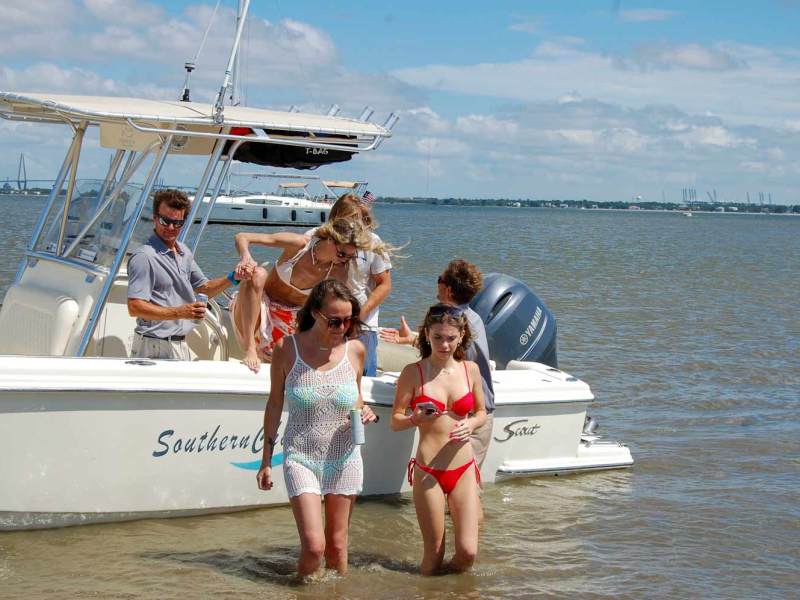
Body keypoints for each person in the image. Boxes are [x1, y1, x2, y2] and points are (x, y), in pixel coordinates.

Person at [256, 279, 378, 577]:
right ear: (315, 313)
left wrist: (364, 410)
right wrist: (265, 461)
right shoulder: (287, 349)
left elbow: (356, 397)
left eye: (348, 321)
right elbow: (274, 404)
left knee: (337, 547)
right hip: (301, 456)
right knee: (314, 547)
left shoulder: (356, 350)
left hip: (345, 457)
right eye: (334, 321)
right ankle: (302, 590)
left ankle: (336, 593)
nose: (342, 327)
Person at [391, 303, 487, 575]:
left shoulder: (470, 370)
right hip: (428, 471)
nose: (444, 345)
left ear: (461, 336)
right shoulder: (413, 372)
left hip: (463, 468)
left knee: (468, 553)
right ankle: (431, 590)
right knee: (433, 555)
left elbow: (482, 412)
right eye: (437, 337)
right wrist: (414, 419)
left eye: (451, 338)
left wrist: (471, 423)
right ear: (426, 335)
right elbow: (395, 421)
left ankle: (447, 589)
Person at [380, 259, 495, 468]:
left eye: (438, 279)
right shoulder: (471, 318)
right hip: (470, 414)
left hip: (470, 417)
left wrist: (416, 382)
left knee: (466, 479)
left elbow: (452, 358)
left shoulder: (463, 324)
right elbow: (447, 349)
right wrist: (412, 339)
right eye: (437, 337)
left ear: (448, 289)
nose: (445, 342)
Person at [230, 218, 378, 373]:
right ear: (329, 240)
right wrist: (246, 258)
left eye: (349, 257)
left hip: (291, 321)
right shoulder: (299, 245)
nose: (343, 260)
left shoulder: (338, 271)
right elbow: (242, 237)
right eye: (341, 254)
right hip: (258, 310)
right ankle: (250, 348)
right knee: (258, 274)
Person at [127, 189, 236, 360]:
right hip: (153, 346)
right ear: (155, 218)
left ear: (183, 223)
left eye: (177, 223)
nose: (170, 228)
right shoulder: (144, 257)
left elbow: (204, 288)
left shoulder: (183, 251)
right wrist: (179, 312)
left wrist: (234, 277)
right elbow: (135, 307)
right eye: (165, 221)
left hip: (179, 344)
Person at [308, 193, 392, 376]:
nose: (353, 225)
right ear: (335, 217)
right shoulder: (315, 236)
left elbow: (384, 284)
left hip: (363, 323)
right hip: (321, 321)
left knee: (363, 376)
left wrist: (360, 315)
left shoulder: (373, 242)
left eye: (357, 220)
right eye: (348, 219)